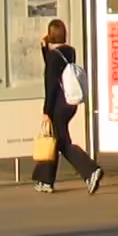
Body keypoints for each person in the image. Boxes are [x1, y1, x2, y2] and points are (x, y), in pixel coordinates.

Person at [34, 18, 104, 195]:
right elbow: (56, 69)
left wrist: (46, 112)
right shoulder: (69, 52)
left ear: (50, 35)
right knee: (57, 140)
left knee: (63, 143)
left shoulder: (53, 57)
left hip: (58, 105)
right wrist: (45, 49)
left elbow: (51, 85)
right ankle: (45, 181)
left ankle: (90, 170)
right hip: (70, 103)